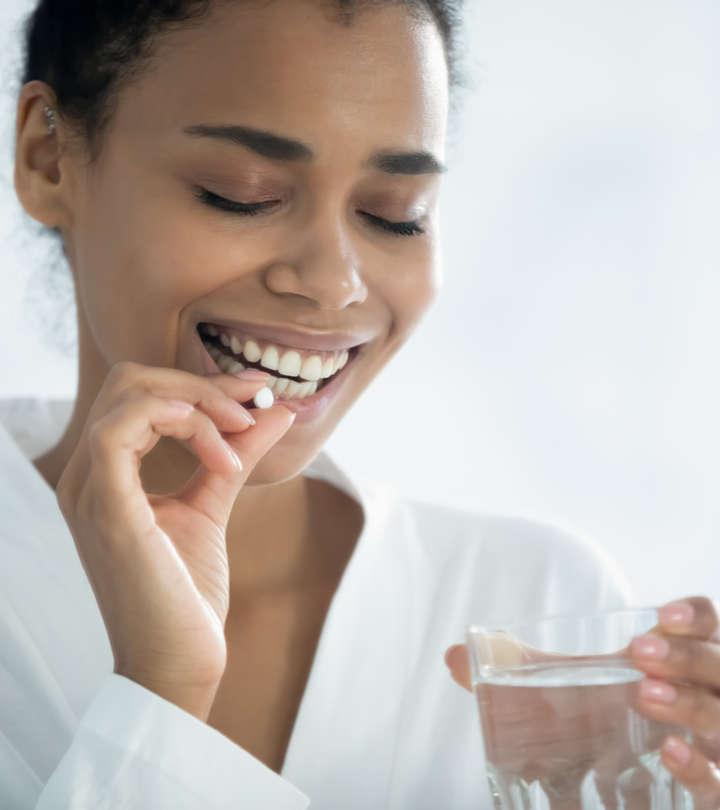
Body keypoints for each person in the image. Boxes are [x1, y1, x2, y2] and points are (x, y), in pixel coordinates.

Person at [2, 0, 719, 807]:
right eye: (241, 194)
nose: (333, 282)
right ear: (47, 158)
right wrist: (160, 694)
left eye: (395, 215)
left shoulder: (537, 603)